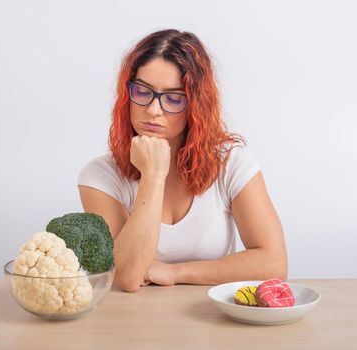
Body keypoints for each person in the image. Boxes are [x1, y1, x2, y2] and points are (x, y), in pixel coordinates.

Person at [77, 29, 288, 293]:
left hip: (213, 320)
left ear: (196, 105)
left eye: (174, 99)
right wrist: (153, 177)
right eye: (142, 92)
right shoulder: (99, 176)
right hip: (131, 324)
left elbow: (273, 263)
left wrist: (175, 272)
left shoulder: (232, 164)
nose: (154, 110)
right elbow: (128, 277)